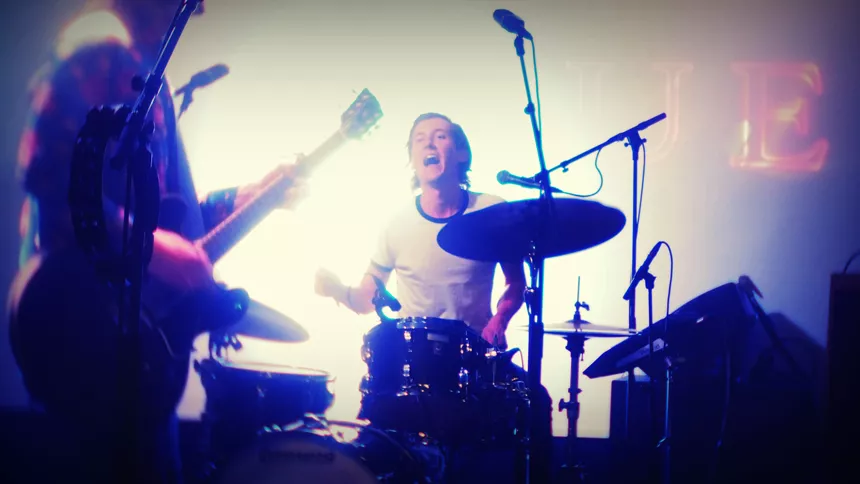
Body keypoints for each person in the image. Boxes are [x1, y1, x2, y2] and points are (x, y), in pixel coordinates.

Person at [7, 1, 303, 482]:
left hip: (138, 349)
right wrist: (151, 247)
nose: (195, 12)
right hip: (83, 334)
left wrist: (246, 198)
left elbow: (163, 213)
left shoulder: (147, 75)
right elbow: (49, 176)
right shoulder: (100, 49)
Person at [315, 112, 553, 483]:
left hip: (475, 358)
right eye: (420, 138)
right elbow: (365, 298)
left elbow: (515, 284)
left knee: (535, 400)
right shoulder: (397, 223)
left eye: (441, 136)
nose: (429, 142)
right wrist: (336, 289)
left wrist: (499, 321)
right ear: (412, 158)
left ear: (461, 153)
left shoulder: (490, 210)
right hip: (412, 363)